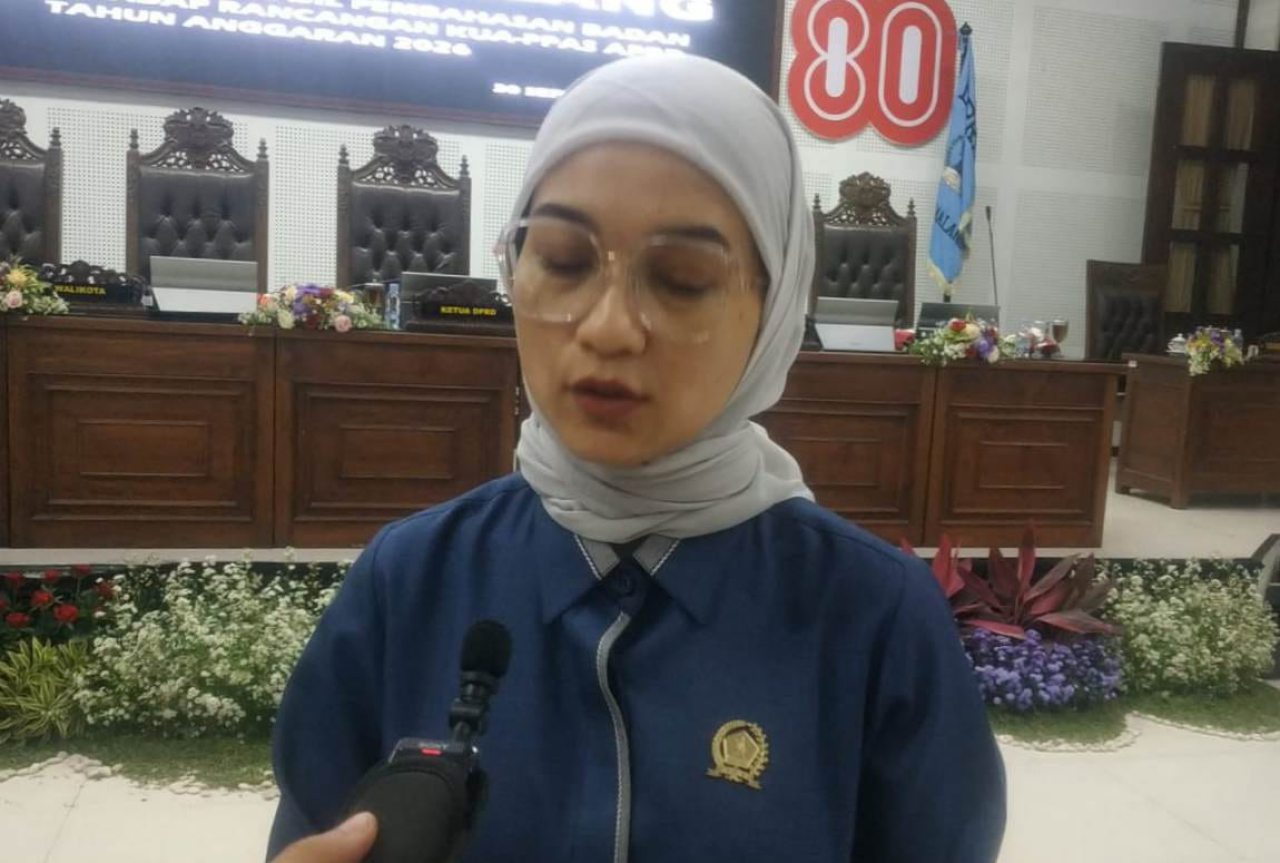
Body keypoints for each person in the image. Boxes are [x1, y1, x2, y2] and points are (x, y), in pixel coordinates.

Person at [268, 54, 1006, 863]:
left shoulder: (873, 619)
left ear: (774, 306)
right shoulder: (407, 583)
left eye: (683, 278)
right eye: (563, 260)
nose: (609, 328)